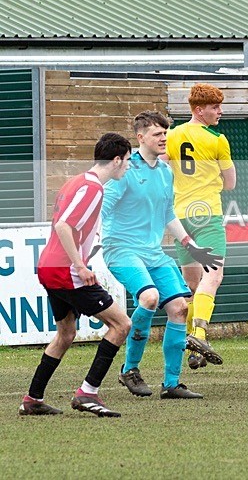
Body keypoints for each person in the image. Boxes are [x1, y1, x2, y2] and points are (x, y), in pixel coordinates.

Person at [107, 111, 222, 400]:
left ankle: (171, 384)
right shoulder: (125, 169)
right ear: (140, 137)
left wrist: (192, 247)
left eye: (166, 133)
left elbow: (168, 214)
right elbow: (102, 206)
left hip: (152, 252)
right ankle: (129, 369)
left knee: (180, 308)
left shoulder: (165, 171)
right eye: (158, 134)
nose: (164, 138)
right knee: (149, 298)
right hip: (121, 249)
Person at [19, 133, 132, 417]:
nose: (129, 166)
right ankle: (87, 393)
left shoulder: (76, 181)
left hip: (49, 268)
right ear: (117, 160)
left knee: (66, 333)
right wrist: (80, 265)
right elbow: (64, 226)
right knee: (121, 325)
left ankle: (32, 399)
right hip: (66, 271)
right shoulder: (93, 188)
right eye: (128, 161)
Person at [165, 83, 235, 370]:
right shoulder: (217, 139)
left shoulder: (172, 135)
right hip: (207, 213)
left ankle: (194, 351)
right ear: (199, 110)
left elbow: (164, 169)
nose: (220, 112)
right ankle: (200, 334)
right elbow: (231, 183)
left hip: (180, 217)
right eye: (215, 107)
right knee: (214, 276)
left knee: (194, 286)